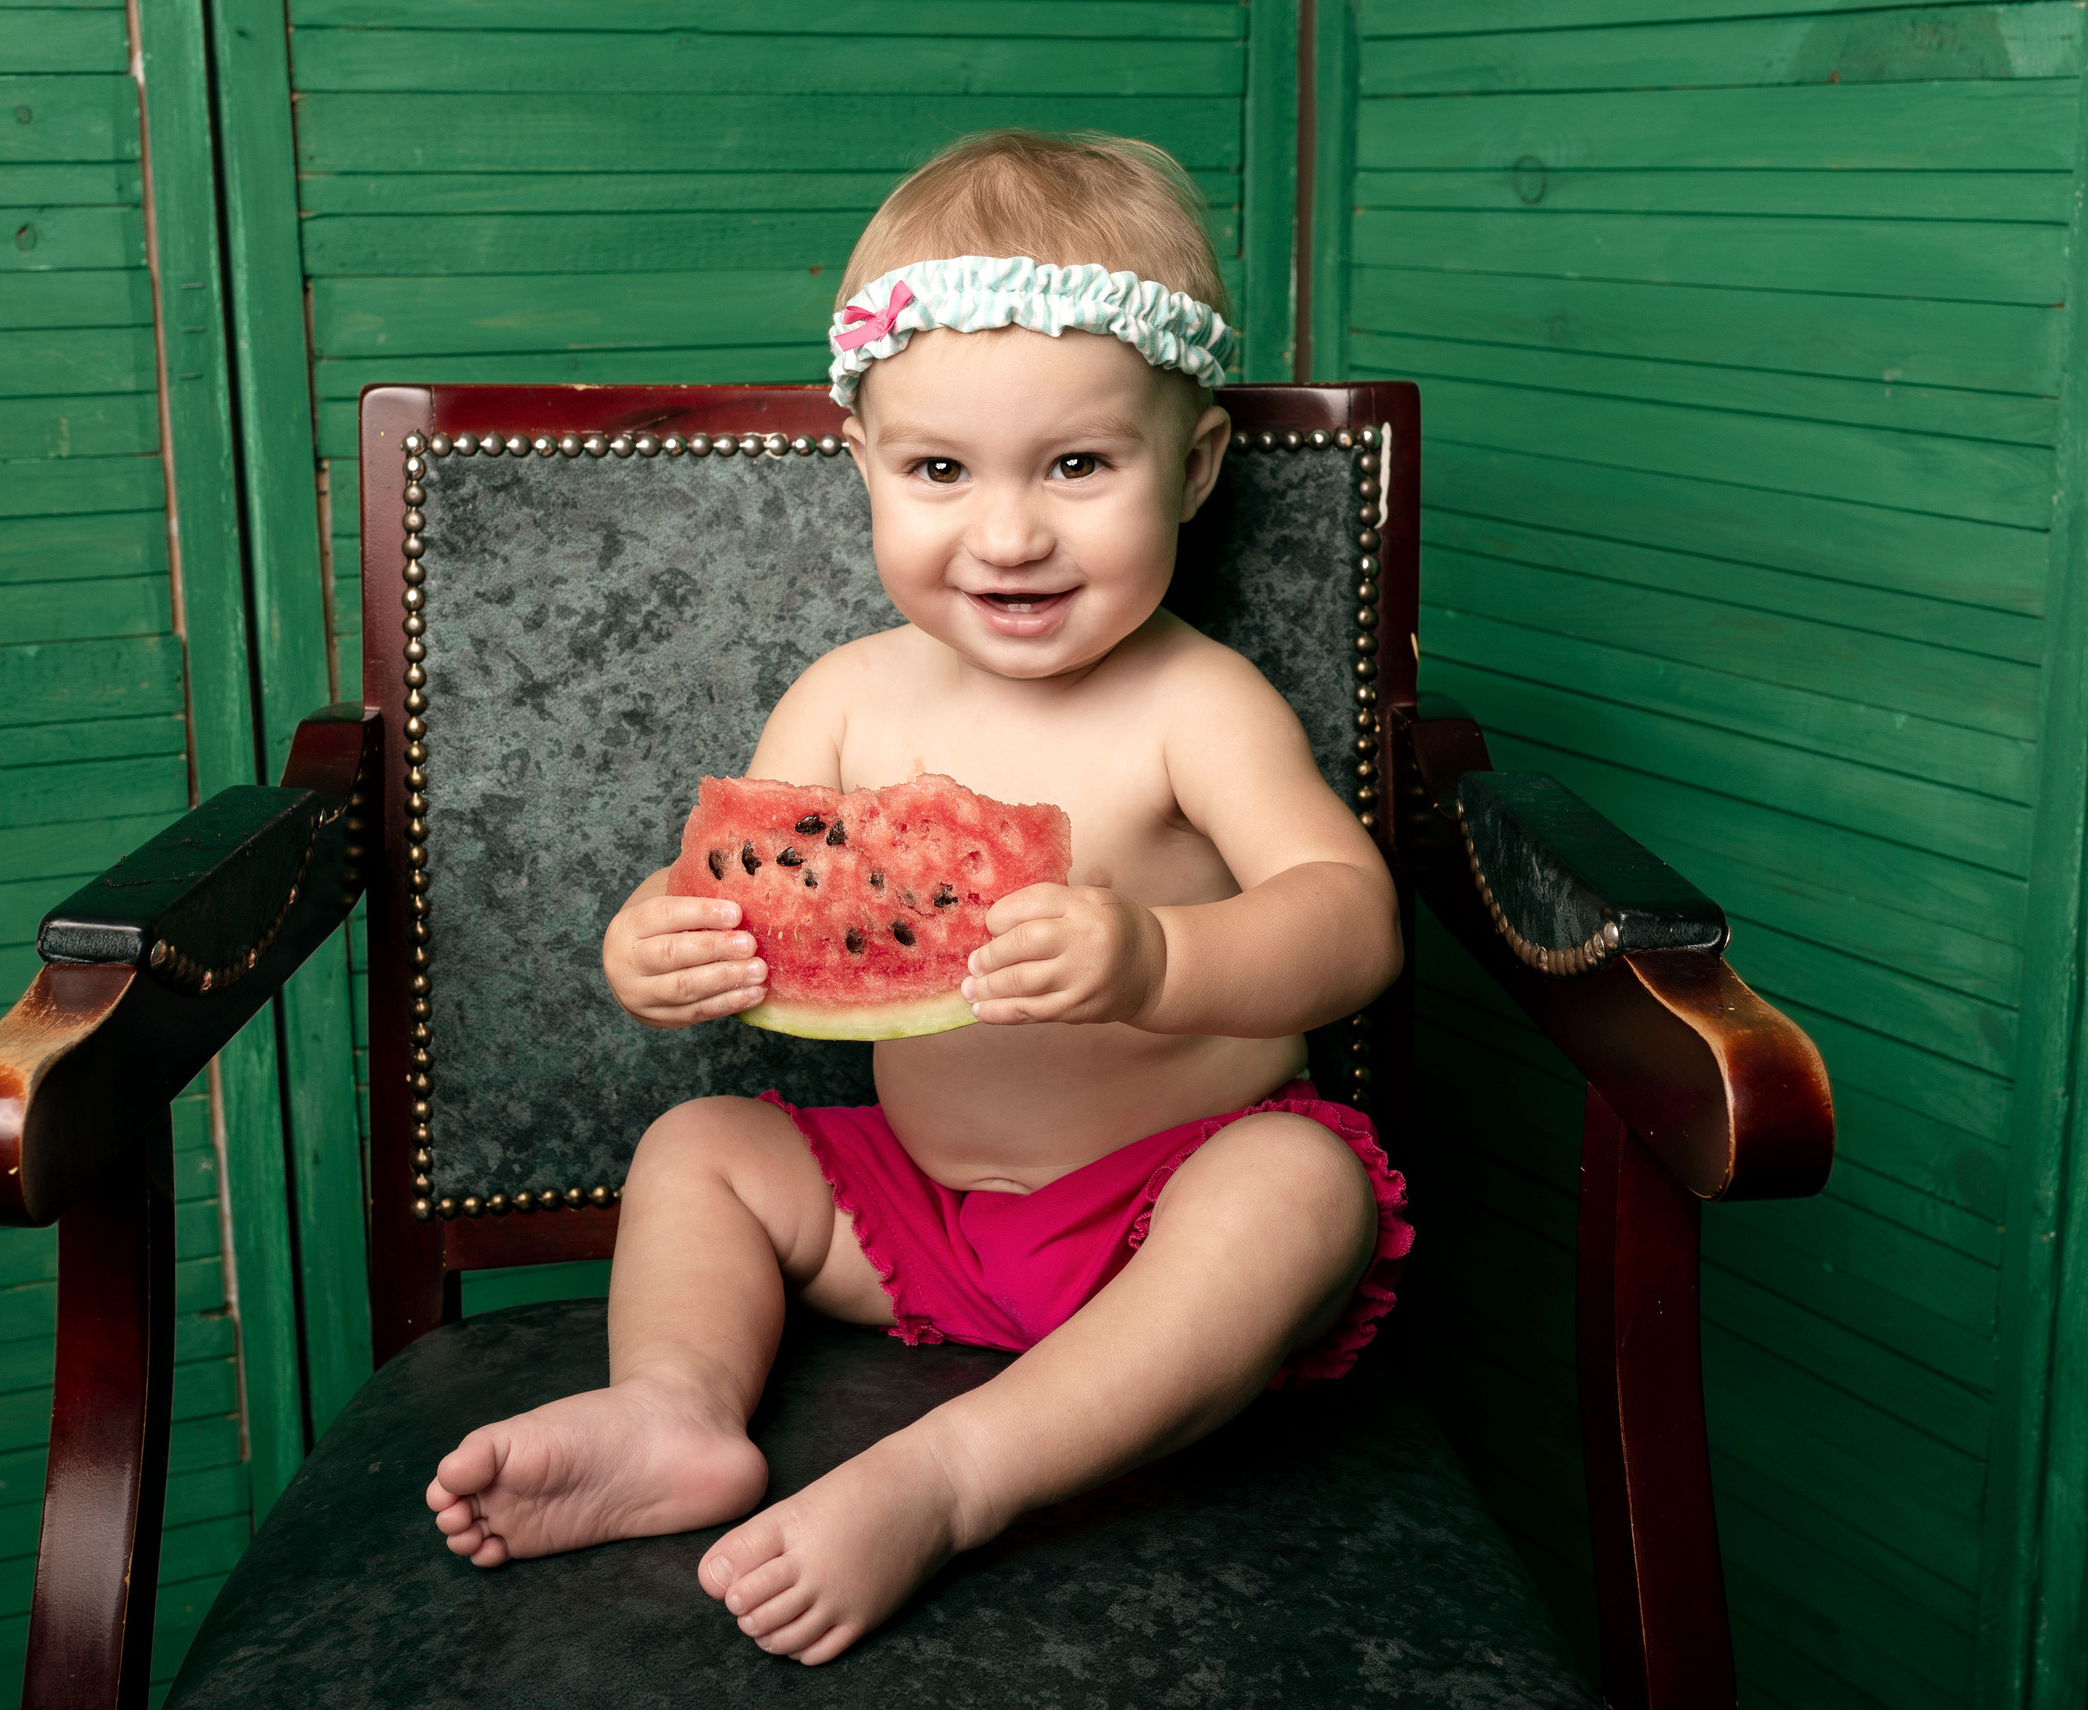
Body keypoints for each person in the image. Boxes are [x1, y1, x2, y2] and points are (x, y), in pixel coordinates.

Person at [424, 129, 1412, 1666]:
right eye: (940, 470)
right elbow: (748, 908)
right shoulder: (845, 697)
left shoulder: (1199, 705)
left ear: (1198, 465)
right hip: (909, 1215)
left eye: (1080, 466)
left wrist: (1154, 955)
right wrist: (653, 945)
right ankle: (673, 1410)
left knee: (1303, 1196)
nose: (1008, 533)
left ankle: (952, 1475)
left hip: (1155, 1211)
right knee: (703, 1144)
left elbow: (1352, 920)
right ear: (866, 463)